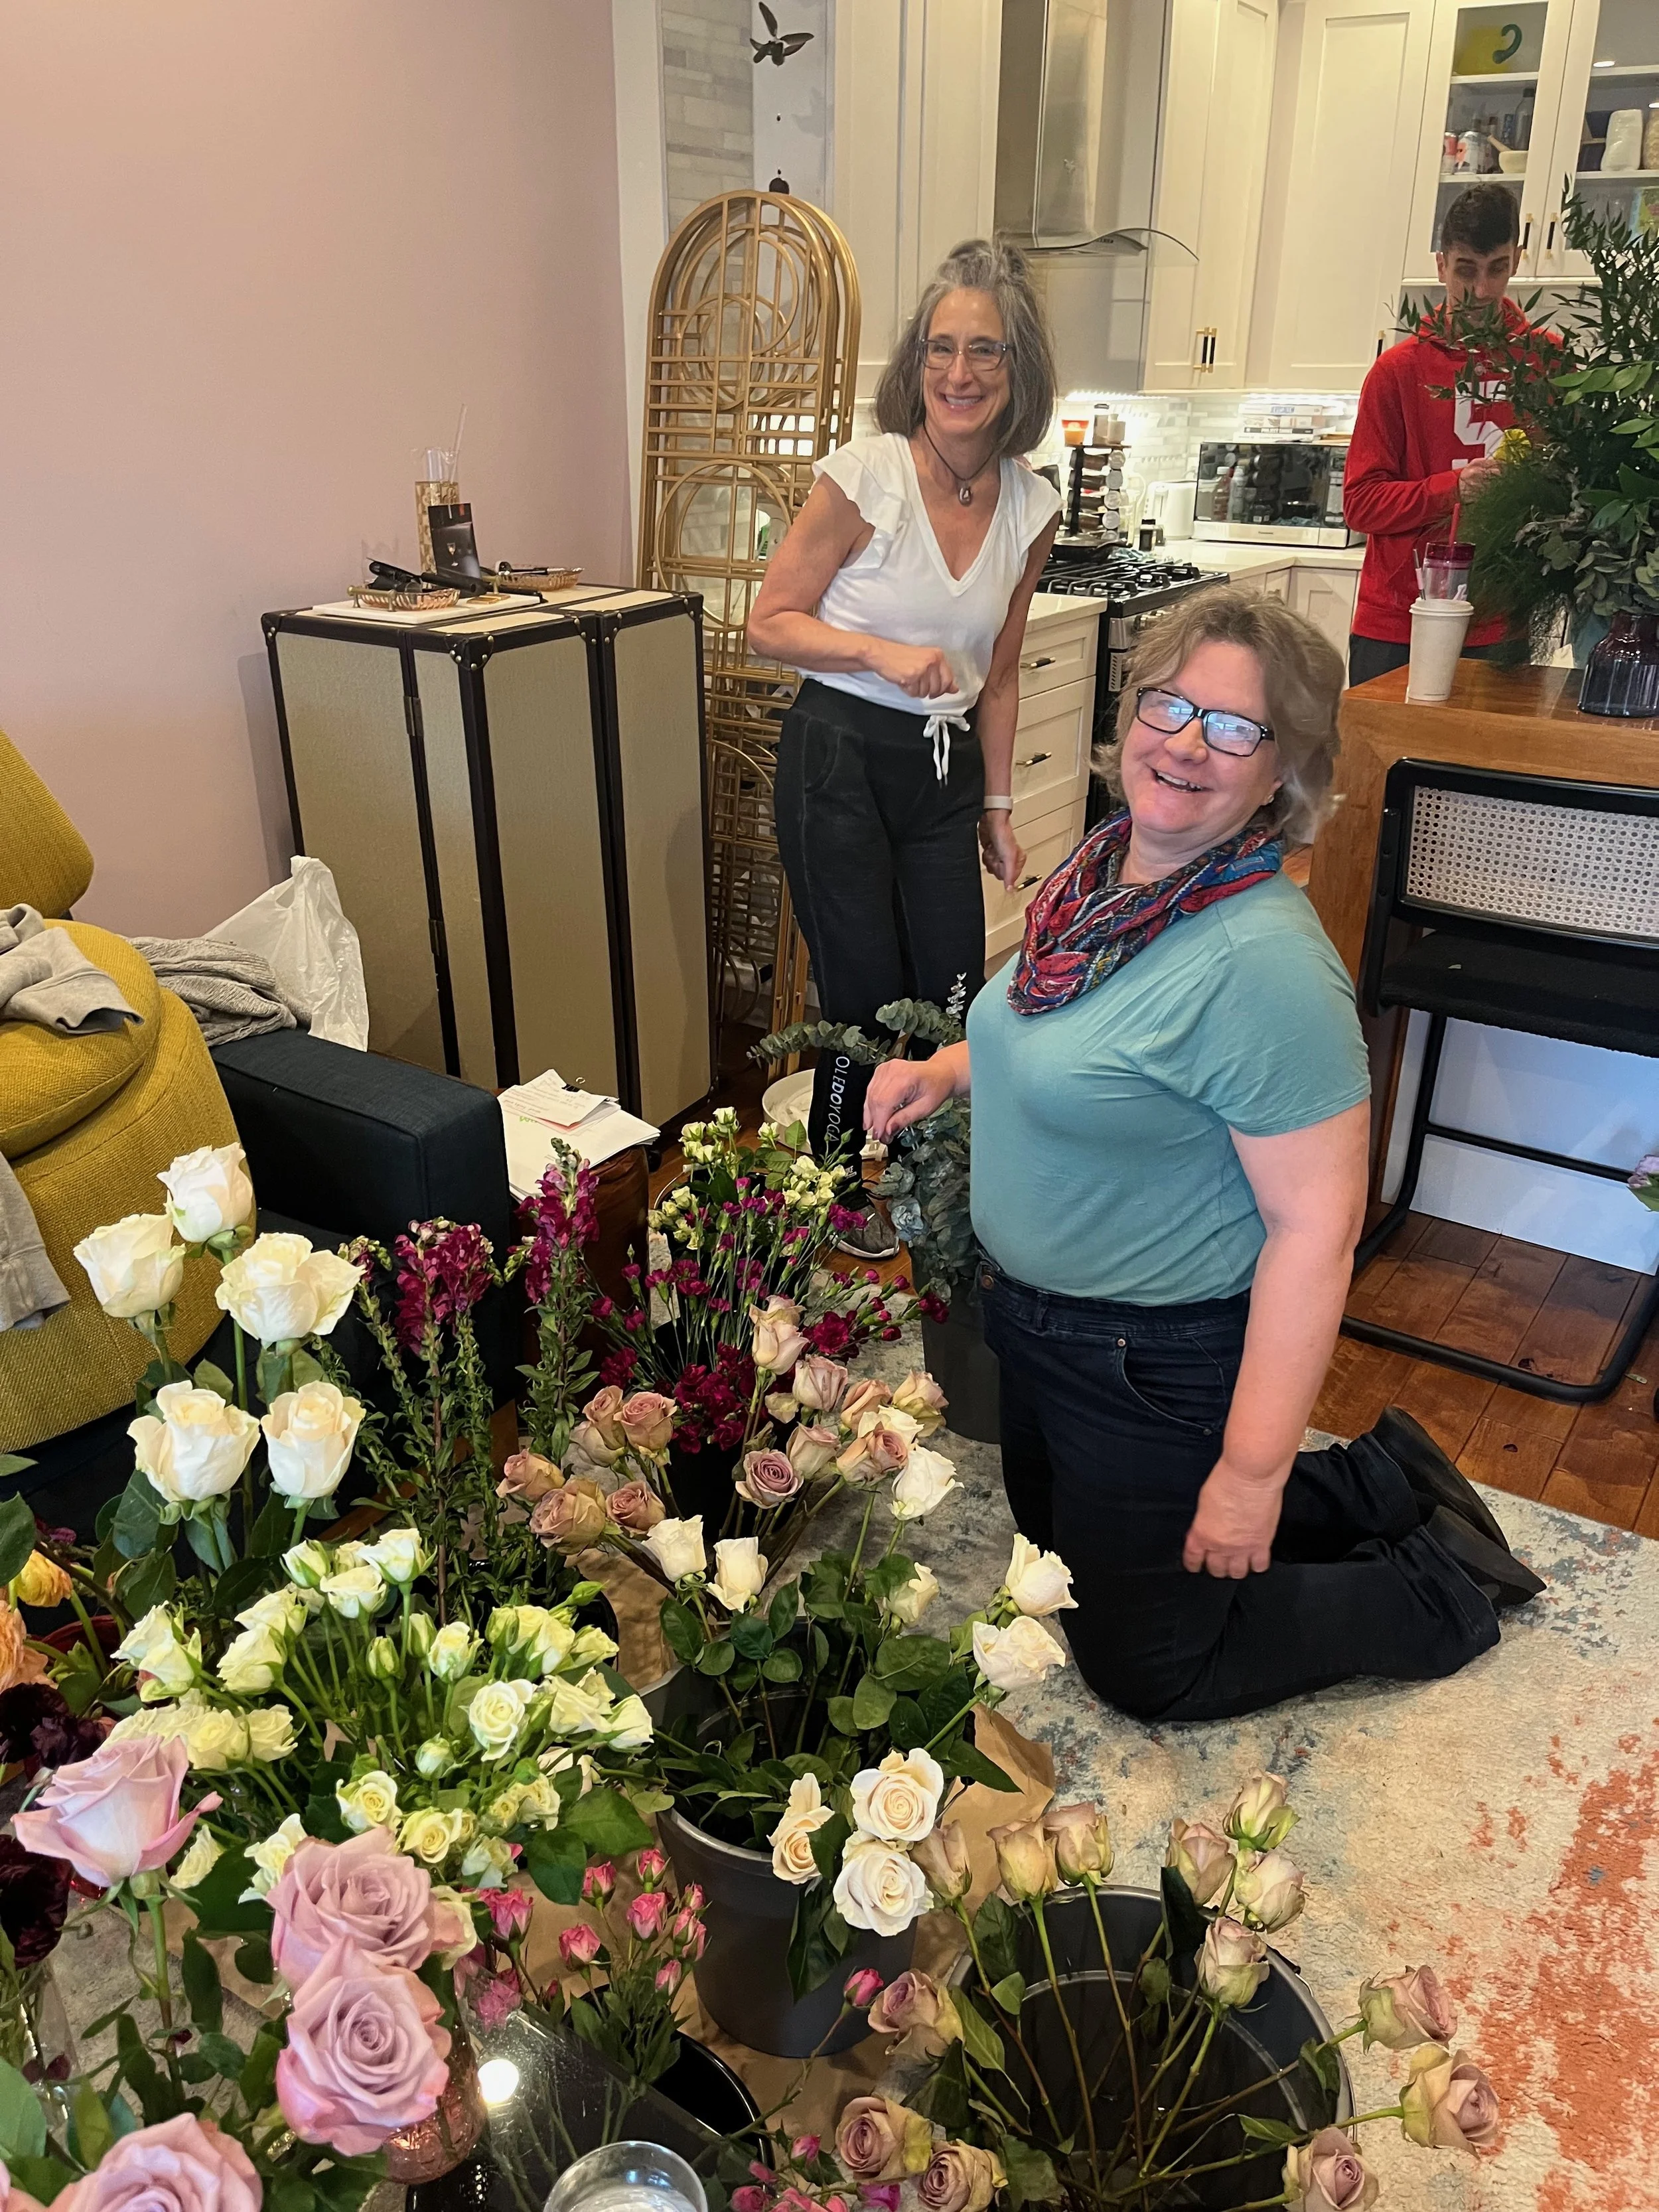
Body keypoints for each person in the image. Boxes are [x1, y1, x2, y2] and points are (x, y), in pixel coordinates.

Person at [864, 587, 1543, 1724]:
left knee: (1150, 1664)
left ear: (1283, 770)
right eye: (1168, 705)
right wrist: (950, 1067)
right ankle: (1381, 1484)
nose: (1185, 743)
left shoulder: (1262, 966)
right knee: (1058, 1548)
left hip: (1150, 1354)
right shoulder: (1108, 874)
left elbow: (1315, 1234)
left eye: (1234, 727)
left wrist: (1255, 1474)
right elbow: (1065, 1032)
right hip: (1035, 1322)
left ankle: (1437, 1584)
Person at [748, 238, 1062, 1256]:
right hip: (837, 756)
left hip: (942, 768)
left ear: (1019, 368)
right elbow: (768, 622)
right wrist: (878, 654)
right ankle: (837, 1192)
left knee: (952, 990)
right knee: (860, 998)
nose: (958, 373)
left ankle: (933, 1181)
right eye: (940, 348)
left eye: (984, 350)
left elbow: (1000, 674)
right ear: (918, 362)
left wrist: (999, 809)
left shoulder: (1033, 505)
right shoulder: (867, 476)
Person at [1345, 182, 1530, 689]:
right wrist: (1455, 489)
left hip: (1499, 623)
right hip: (1396, 621)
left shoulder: (1547, 364)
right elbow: (1360, 505)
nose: (1482, 290)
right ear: (1442, 265)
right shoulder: (1396, 371)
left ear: (1517, 261)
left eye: (1497, 268)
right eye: (1466, 270)